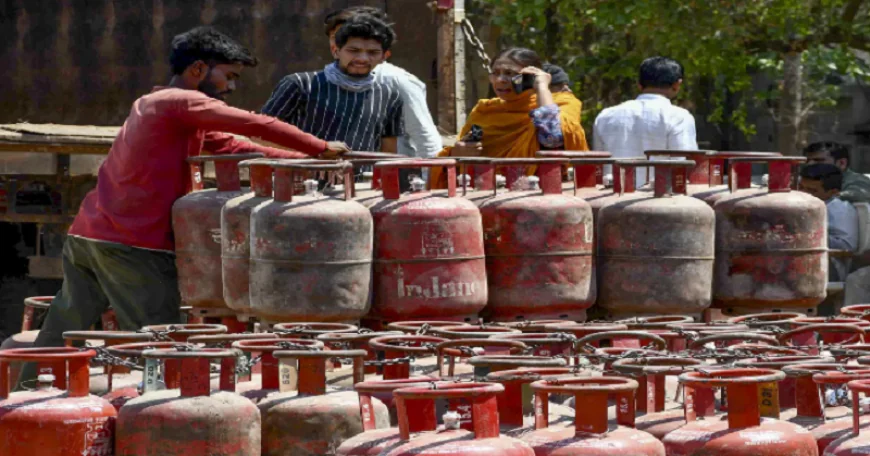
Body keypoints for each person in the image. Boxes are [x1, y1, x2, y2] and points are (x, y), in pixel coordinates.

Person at [16, 27, 348, 388]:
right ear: (198, 69)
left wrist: (303, 162)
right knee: (159, 337)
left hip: (89, 235)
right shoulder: (181, 101)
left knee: (64, 326)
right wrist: (318, 147)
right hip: (134, 244)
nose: (231, 87)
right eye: (229, 76)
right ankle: (160, 416)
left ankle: (26, 393)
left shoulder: (156, 106)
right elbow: (254, 124)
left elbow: (235, 146)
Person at [428, 48, 589, 188]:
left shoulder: (563, 103)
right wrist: (457, 152)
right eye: (495, 73)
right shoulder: (485, 110)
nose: (500, 80)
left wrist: (541, 86)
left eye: (509, 74)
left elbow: (552, 138)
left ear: (530, 77)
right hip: (488, 194)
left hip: (542, 196)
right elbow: (462, 155)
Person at [262, 14, 403, 154]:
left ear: (384, 57)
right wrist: (318, 149)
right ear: (336, 51)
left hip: (360, 176)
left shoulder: (390, 95)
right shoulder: (300, 84)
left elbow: (388, 153)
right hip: (301, 174)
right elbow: (261, 135)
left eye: (373, 52)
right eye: (353, 51)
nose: (362, 58)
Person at [323, 6, 442, 159]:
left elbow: (425, 138)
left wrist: (432, 179)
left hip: (391, 174)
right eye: (334, 37)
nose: (336, 43)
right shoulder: (322, 81)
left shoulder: (397, 81)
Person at [593, 56, 698, 187]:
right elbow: (684, 165)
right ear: (677, 85)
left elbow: (598, 166)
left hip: (610, 199)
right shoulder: (679, 117)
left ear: (639, 85)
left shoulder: (605, 116)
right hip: (658, 200)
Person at [799, 163, 859, 281]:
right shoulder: (806, 205)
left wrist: (810, 235)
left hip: (828, 267)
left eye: (812, 190)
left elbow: (847, 246)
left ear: (833, 192)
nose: (804, 194)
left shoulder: (839, 209)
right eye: (801, 187)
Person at [804, 141, 870, 203]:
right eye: (808, 160)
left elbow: (859, 195)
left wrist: (824, 196)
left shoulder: (856, 180)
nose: (810, 164)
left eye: (818, 160)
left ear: (842, 163)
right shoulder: (810, 180)